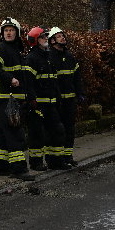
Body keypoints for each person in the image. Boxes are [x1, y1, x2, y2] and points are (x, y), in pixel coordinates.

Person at [0, 17, 36, 181]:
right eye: (6, 30)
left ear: (17, 33)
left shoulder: (17, 51)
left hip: (14, 99)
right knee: (15, 133)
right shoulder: (2, 49)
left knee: (2, 132)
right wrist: (9, 79)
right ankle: (19, 169)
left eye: (11, 30)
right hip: (7, 99)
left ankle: (0, 167)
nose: (8, 33)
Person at [24, 26, 67, 171]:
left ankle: (56, 161)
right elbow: (28, 82)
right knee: (37, 134)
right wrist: (32, 99)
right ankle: (36, 163)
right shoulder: (31, 59)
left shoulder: (48, 57)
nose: (45, 40)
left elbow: (53, 80)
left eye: (45, 37)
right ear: (35, 41)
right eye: (42, 37)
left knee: (57, 131)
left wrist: (58, 97)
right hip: (38, 104)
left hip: (51, 103)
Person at [49, 27, 84, 168]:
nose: (62, 38)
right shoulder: (50, 57)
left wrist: (80, 93)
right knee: (57, 131)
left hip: (70, 101)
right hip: (56, 102)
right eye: (58, 36)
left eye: (62, 35)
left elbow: (77, 78)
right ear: (52, 41)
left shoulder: (70, 57)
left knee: (70, 130)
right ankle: (56, 160)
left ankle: (67, 156)